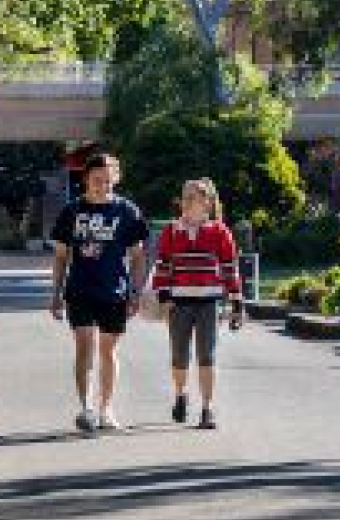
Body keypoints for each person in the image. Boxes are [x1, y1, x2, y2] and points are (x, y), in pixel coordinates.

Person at [49, 152, 147, 432]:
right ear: (86, 180)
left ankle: (106, 409)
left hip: (114, 290)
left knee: (108, 350)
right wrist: (55, 294)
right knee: (84, 347)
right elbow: (60, 256)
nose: (102, 186)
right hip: (79, 289)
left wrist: (136, 292)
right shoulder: (72, 211)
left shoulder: (127, 211)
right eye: (96, 180)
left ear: (115, 180)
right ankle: (86, 408)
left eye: (107, 181)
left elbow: (138, 257)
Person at [150, 178, 245, 430]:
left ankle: (207, 408)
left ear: (208, 201)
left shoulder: (219, 231)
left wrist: (237, 302)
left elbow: (229, 268)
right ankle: (181, 395)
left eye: (198, 196)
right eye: (188, 196)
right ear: (181, 201)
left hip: (209, 303)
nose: (192, 200)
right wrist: (163, 296)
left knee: (207, 356)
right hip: (178, 303)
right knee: (179, 356)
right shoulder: (172, 230)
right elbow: (163, 265)